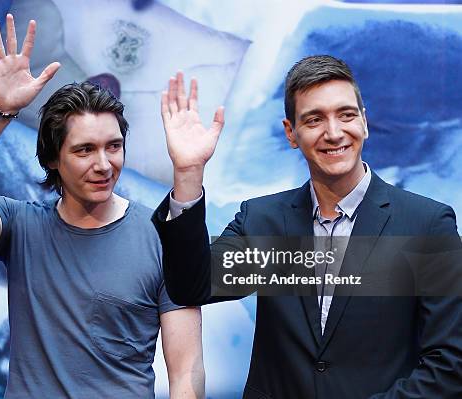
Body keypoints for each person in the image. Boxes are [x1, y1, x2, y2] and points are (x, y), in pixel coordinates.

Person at [0, 14, 204, 399]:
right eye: (85, 150)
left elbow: (185, 370)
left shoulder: (161, 236)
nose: (104, 164)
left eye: (113, 146)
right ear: (53, 158)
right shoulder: (19, 226)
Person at [152, 56, 462, 398]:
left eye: (346, 115)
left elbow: (449, 364)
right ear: (291, 133)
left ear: (364, 122)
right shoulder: (263, 220)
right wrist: (188, 173)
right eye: (314, 119)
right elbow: (191, 287)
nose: (333, 132)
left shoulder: (426, 226)